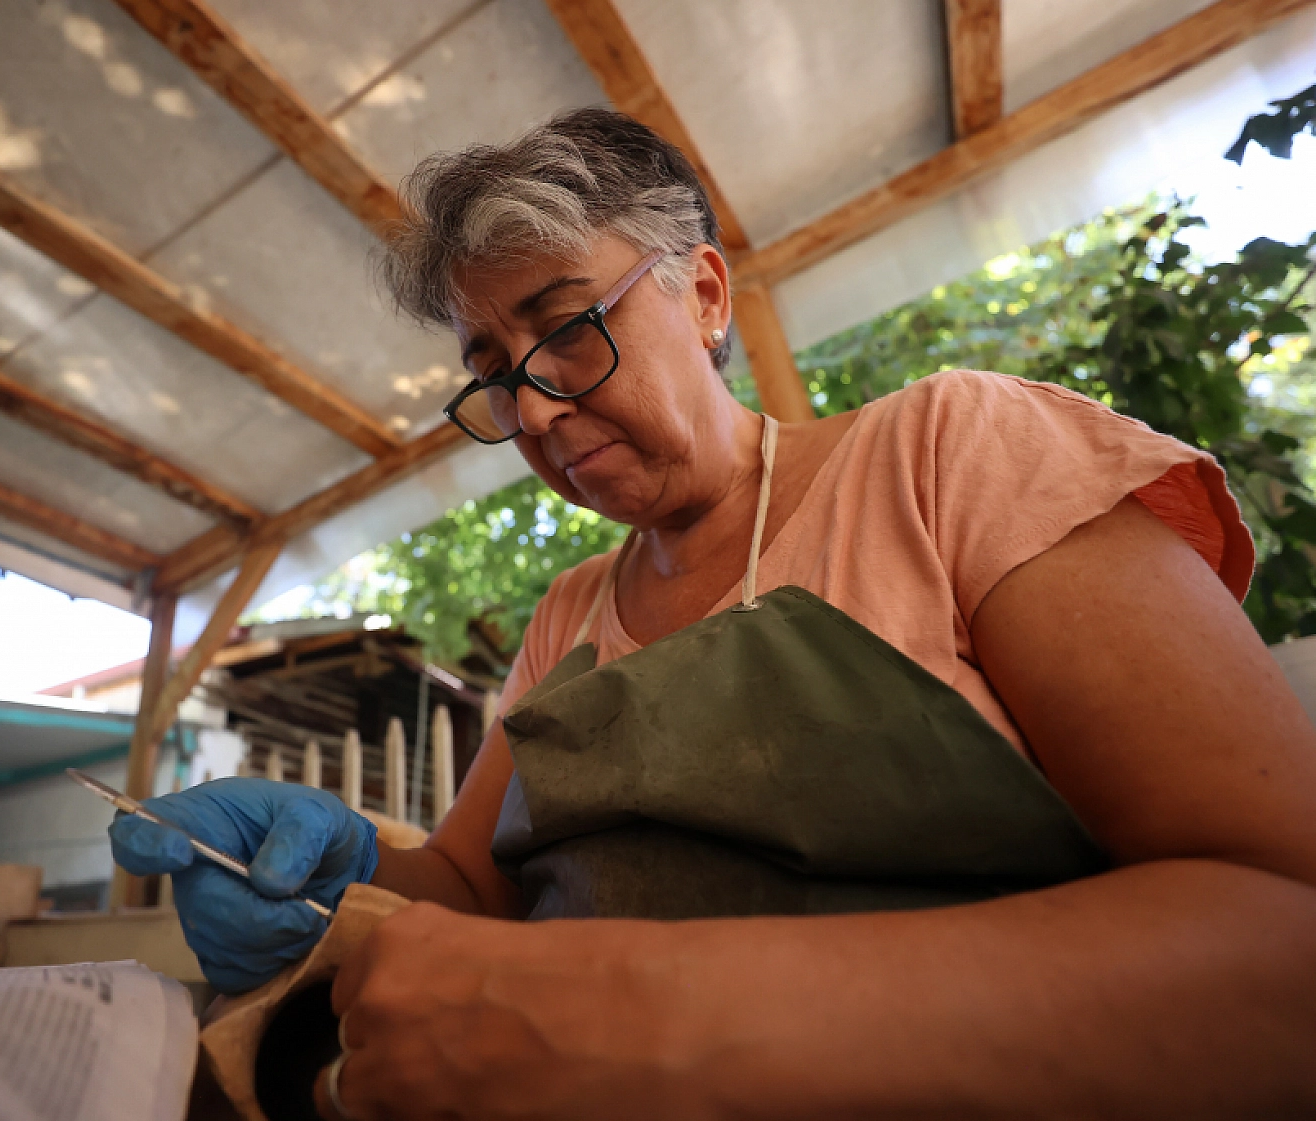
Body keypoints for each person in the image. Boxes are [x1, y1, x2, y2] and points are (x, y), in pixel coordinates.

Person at [112, 109, 1316, 1117]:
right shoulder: (567, 613)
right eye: (491, 370)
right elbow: (476, 893)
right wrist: (343, 869)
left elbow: (1279, 933)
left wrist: (645, 1012)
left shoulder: (952, 453)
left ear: (699, 295)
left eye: (568, 328)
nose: (529, 415)